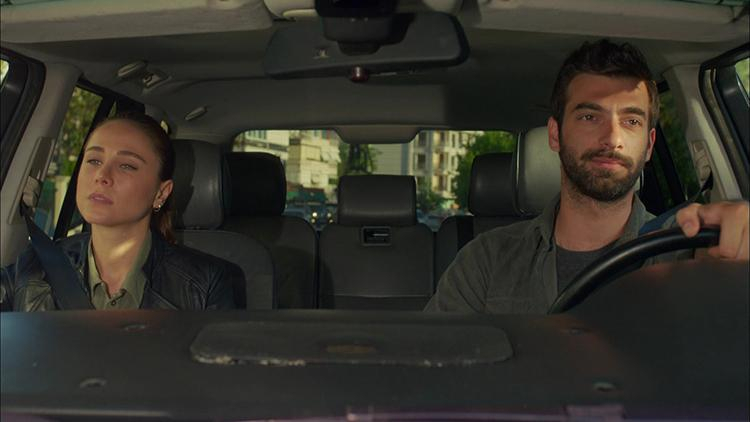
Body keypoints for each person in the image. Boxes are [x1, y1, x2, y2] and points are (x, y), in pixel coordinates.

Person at [426, 39, 749, 314]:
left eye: (632, 121)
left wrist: (735, 244)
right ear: (556, 134)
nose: (612, 138)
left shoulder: (686, 253)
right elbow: (432, 359)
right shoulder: (486, 260)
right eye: (590, 117)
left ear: (650, 145)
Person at [0, 113, 240, 311]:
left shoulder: (206, 283)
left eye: (127, 166)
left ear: (161, 193)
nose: (101, 176)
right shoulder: (34, 266)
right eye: (94, 160)